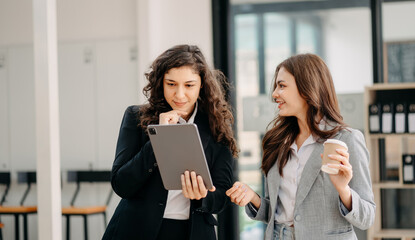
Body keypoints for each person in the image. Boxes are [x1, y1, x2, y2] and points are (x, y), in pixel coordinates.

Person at [226, 53, 375, 239]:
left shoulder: (347, 139)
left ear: (307, 89)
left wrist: (344, 190)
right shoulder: (277, 142)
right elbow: (278, 213)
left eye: (282, 86)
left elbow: (367, 217)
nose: (274, 94)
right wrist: (253, 198)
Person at [102, 44, 238, 240]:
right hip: (135, 230)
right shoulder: (135, 117)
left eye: (189, 85)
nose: (179, 95)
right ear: (161, 83)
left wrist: (202, 196)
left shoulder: (216, 126)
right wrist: (159, 139)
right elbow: (121, 184)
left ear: (202, 84)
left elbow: (222, 196)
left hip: (192, 233)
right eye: (171, 84)